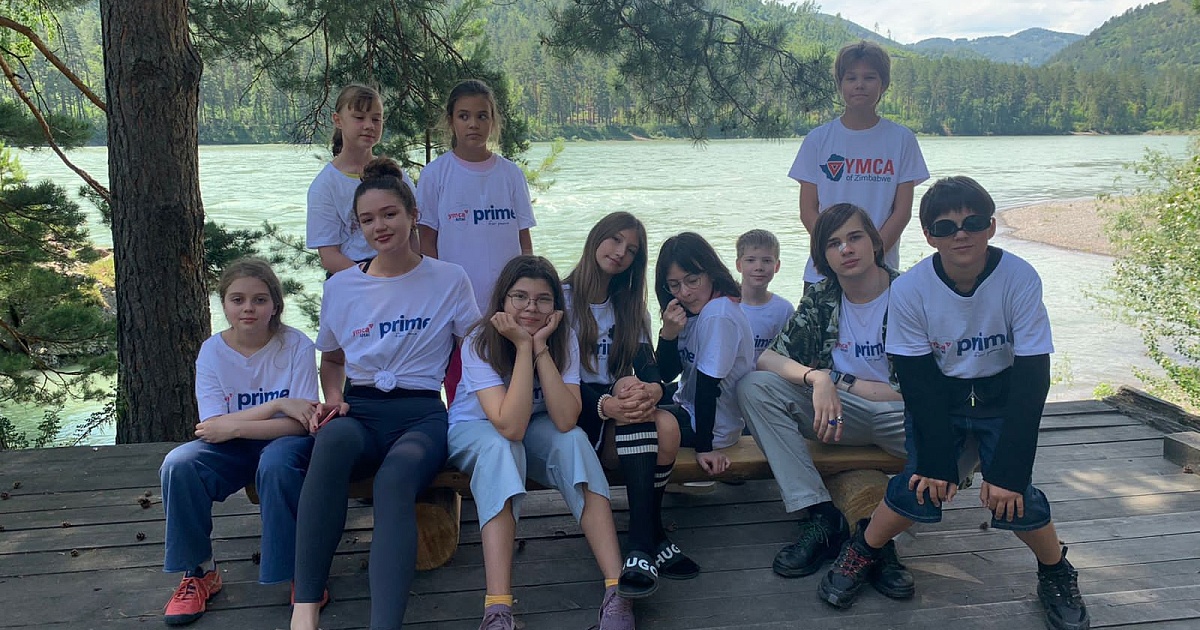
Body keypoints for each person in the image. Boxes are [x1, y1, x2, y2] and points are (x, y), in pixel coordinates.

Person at [817, 177, 1090, 630]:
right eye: (945, 227)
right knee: (919, 486)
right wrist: (937, 461)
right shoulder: (911, 289)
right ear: (929, 236)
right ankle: (863, 549)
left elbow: (1032, 376)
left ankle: (1056, 571)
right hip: (941, 399)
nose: (960, 235)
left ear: (991, 227)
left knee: (1014, 497)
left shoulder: (1019, 277)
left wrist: (1008, 472)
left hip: (1002, 396)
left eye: (973, 223)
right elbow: (918, 381)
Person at [290, 158, 479, 630]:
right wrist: (334, 396)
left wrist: (474, 409)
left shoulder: (449, 278)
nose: (380, 226)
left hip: (420, 415)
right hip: (361, 409)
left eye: (390, 214)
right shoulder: (343, 286)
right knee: (330, 444)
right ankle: (304, 609)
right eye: (368, 219)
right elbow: (332, 360)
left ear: (413, 215)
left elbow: (475, 353)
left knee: (394, 482)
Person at [736, 205, 919, 597]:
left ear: (875, 242)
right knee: (754, 386)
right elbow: (768, 358)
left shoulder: (910, 293)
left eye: (854, 238)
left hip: (904, 417)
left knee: (961, 430)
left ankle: (876, 539)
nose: (846, 249)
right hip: (839, 418)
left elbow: (927, 384)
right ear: (823, 256)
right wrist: (816, 377)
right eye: (833, 243)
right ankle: (821, 515)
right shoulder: (822, 298)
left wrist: (839, 380)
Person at [447, 255, 634, 630]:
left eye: (543, 299)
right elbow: (509, 426)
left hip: (534, 425)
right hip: (476, 428)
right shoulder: (479, 341)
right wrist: (521, 348)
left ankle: (617, 589)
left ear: (556, 306)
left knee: (575, 441)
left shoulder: (564, 339)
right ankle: (497, 609)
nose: (531, 307)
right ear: (503, 299)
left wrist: (541, 348)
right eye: (520, 296)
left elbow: (565, 418)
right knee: (502, 449)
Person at [159, 258, 318, 626]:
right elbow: (213, 427)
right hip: (234, 444)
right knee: (179, 465)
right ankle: (199, 571)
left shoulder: (296, 345)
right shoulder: (212, 351)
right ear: (224, 304)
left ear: (275, 305)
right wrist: (277, 405)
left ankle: (302, 574)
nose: (248, 308)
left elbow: (300, 426)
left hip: (284, 443)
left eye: (259, 300)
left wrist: (234, 427)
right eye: (238, 299)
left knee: (276, 465)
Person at [563, 212, 698, 599]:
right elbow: (553, 378)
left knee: (664, 422)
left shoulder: (629, 305)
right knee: (634, 402)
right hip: (576, 413)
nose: (621, 252)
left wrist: (653, 389)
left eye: (632, 250)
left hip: (619, 412)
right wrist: (606, 405)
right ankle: (645, 539)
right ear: (596, 238)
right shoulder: (562, 298)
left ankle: (645, 537)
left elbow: (648, 366)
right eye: (615, 239)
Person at [788, 40, 928, 286]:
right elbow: (808, 210)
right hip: (824, 272)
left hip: (880, 272)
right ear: (840, 84)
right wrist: (836, 249)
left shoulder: (901, 139)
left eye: (869, 77)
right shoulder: (818, 139)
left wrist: (872, 255)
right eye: (851, 78)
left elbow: (901, 212)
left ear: (883, 84)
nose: (860, 85)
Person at [417, 79, 535, 312]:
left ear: (492, 121)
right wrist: (439, 290)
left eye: (482, 116)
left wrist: (527, 288)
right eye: (464, 116)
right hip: (457, 300)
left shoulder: (511, 174)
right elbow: (427, 242)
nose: (473, 124)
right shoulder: (434, 174)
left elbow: (524, 240)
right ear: (451, 121)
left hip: (508, 300)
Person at [654, 232, 755, 477]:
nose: (684, 292)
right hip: (691, 408)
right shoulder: (687, 312)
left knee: (627, 426)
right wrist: (668, 335)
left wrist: (704, 449)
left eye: (692, 280)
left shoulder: (718, 315)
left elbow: (708, 386)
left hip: (712, 428)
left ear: (711, 273)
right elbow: (666, 374)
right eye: (674, 285)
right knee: (636, 397)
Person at [306, 84, 417, 275]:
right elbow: (329, 255)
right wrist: (372, 279)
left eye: (376, 119)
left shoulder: (395, 173)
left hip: (401, 270)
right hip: (353, 275)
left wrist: (413, 271)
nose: (369, 126)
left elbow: (413, 230)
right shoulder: (325, 185)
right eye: (359, 118)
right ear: (338, 120)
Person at [735, 229, 794, 361]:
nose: (759, 267)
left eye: (767, 261)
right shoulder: (725, 305)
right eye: (750, 260)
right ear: (739, 265)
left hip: (767, 373)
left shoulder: (784, 310)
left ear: (777, 266)